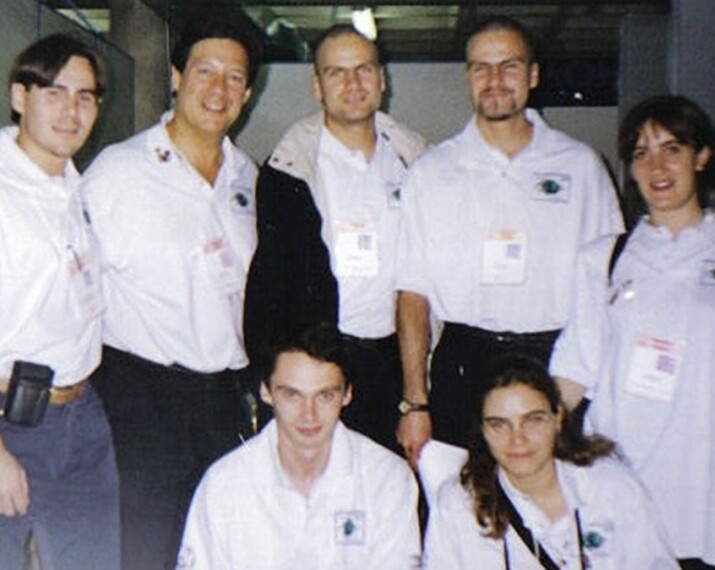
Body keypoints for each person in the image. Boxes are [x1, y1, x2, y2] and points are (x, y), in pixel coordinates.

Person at [550, 95, 715, 569]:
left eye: (672, 148)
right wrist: (524, 437)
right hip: (626, 486)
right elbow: (573, 370)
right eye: (641, 152)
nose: (657, 166)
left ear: (701, 157)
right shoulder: (602, 259)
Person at [395, 16, 622, 465]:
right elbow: (412, 295)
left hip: (553, 363)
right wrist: (416, 402)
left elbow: (606, 294)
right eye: (481, 67)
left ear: (534, 75)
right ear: (467, 78)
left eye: (509, 66)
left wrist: (583, 392)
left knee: (550, 509)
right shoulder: (432, 171)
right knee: (464, 508)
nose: (495, 80)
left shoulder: (580, 167)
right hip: (464, 361)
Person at [80, 16, 262, 570]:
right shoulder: (119, 171)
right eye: (205, 71)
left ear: (248, 94)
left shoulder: (247, 178)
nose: (219, 89)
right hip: (141, 400)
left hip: (226, 401)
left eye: (234, 78)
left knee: (222, 549)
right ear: (177, 77)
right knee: (144, 553)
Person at [243, 24, 426, 451]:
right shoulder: (287, 171)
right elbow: (268, 288)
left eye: (364, 70)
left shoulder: (418, 163)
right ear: (317, 86)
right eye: (337, 72)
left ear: (382, 80)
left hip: (394, 363)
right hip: (317, 364)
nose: (353, 83)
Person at [0, 35, 119, 569]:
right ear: (20, 96)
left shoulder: (75, 186)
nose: (73, 111)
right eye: (56, 93)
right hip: (10, 422)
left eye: (86, 97)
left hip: (81, 416)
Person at [177, 324, 421, 569]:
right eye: (293, 395)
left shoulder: (388, 480)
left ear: (347, 394)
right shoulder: (224, 485)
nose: (309, 414)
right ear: (266, 392)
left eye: (325, 395)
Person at [423, 355, 677, 569]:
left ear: (558, 419)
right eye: (499, 425)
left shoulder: (610, 488)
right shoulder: (458, 505)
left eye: (534, 420)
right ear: (482, 430)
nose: (518, 440)